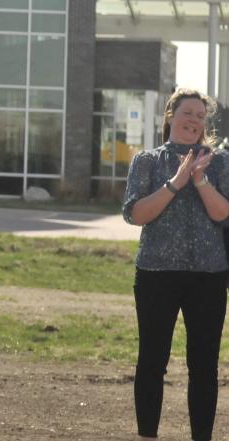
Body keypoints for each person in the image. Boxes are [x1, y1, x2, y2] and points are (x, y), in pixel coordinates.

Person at [123, 88, 229, 441]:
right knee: (152, 361)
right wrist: (175, 183)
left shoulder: (220, 163)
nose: (195, 121)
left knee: (204, 366)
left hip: (209, 276)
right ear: (170, 115)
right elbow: (136, 214)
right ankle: (147, 436)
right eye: (188, 113)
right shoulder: (147, 161)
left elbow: (222, 213)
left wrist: (198, 180)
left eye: (201, 116)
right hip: (156, 275)